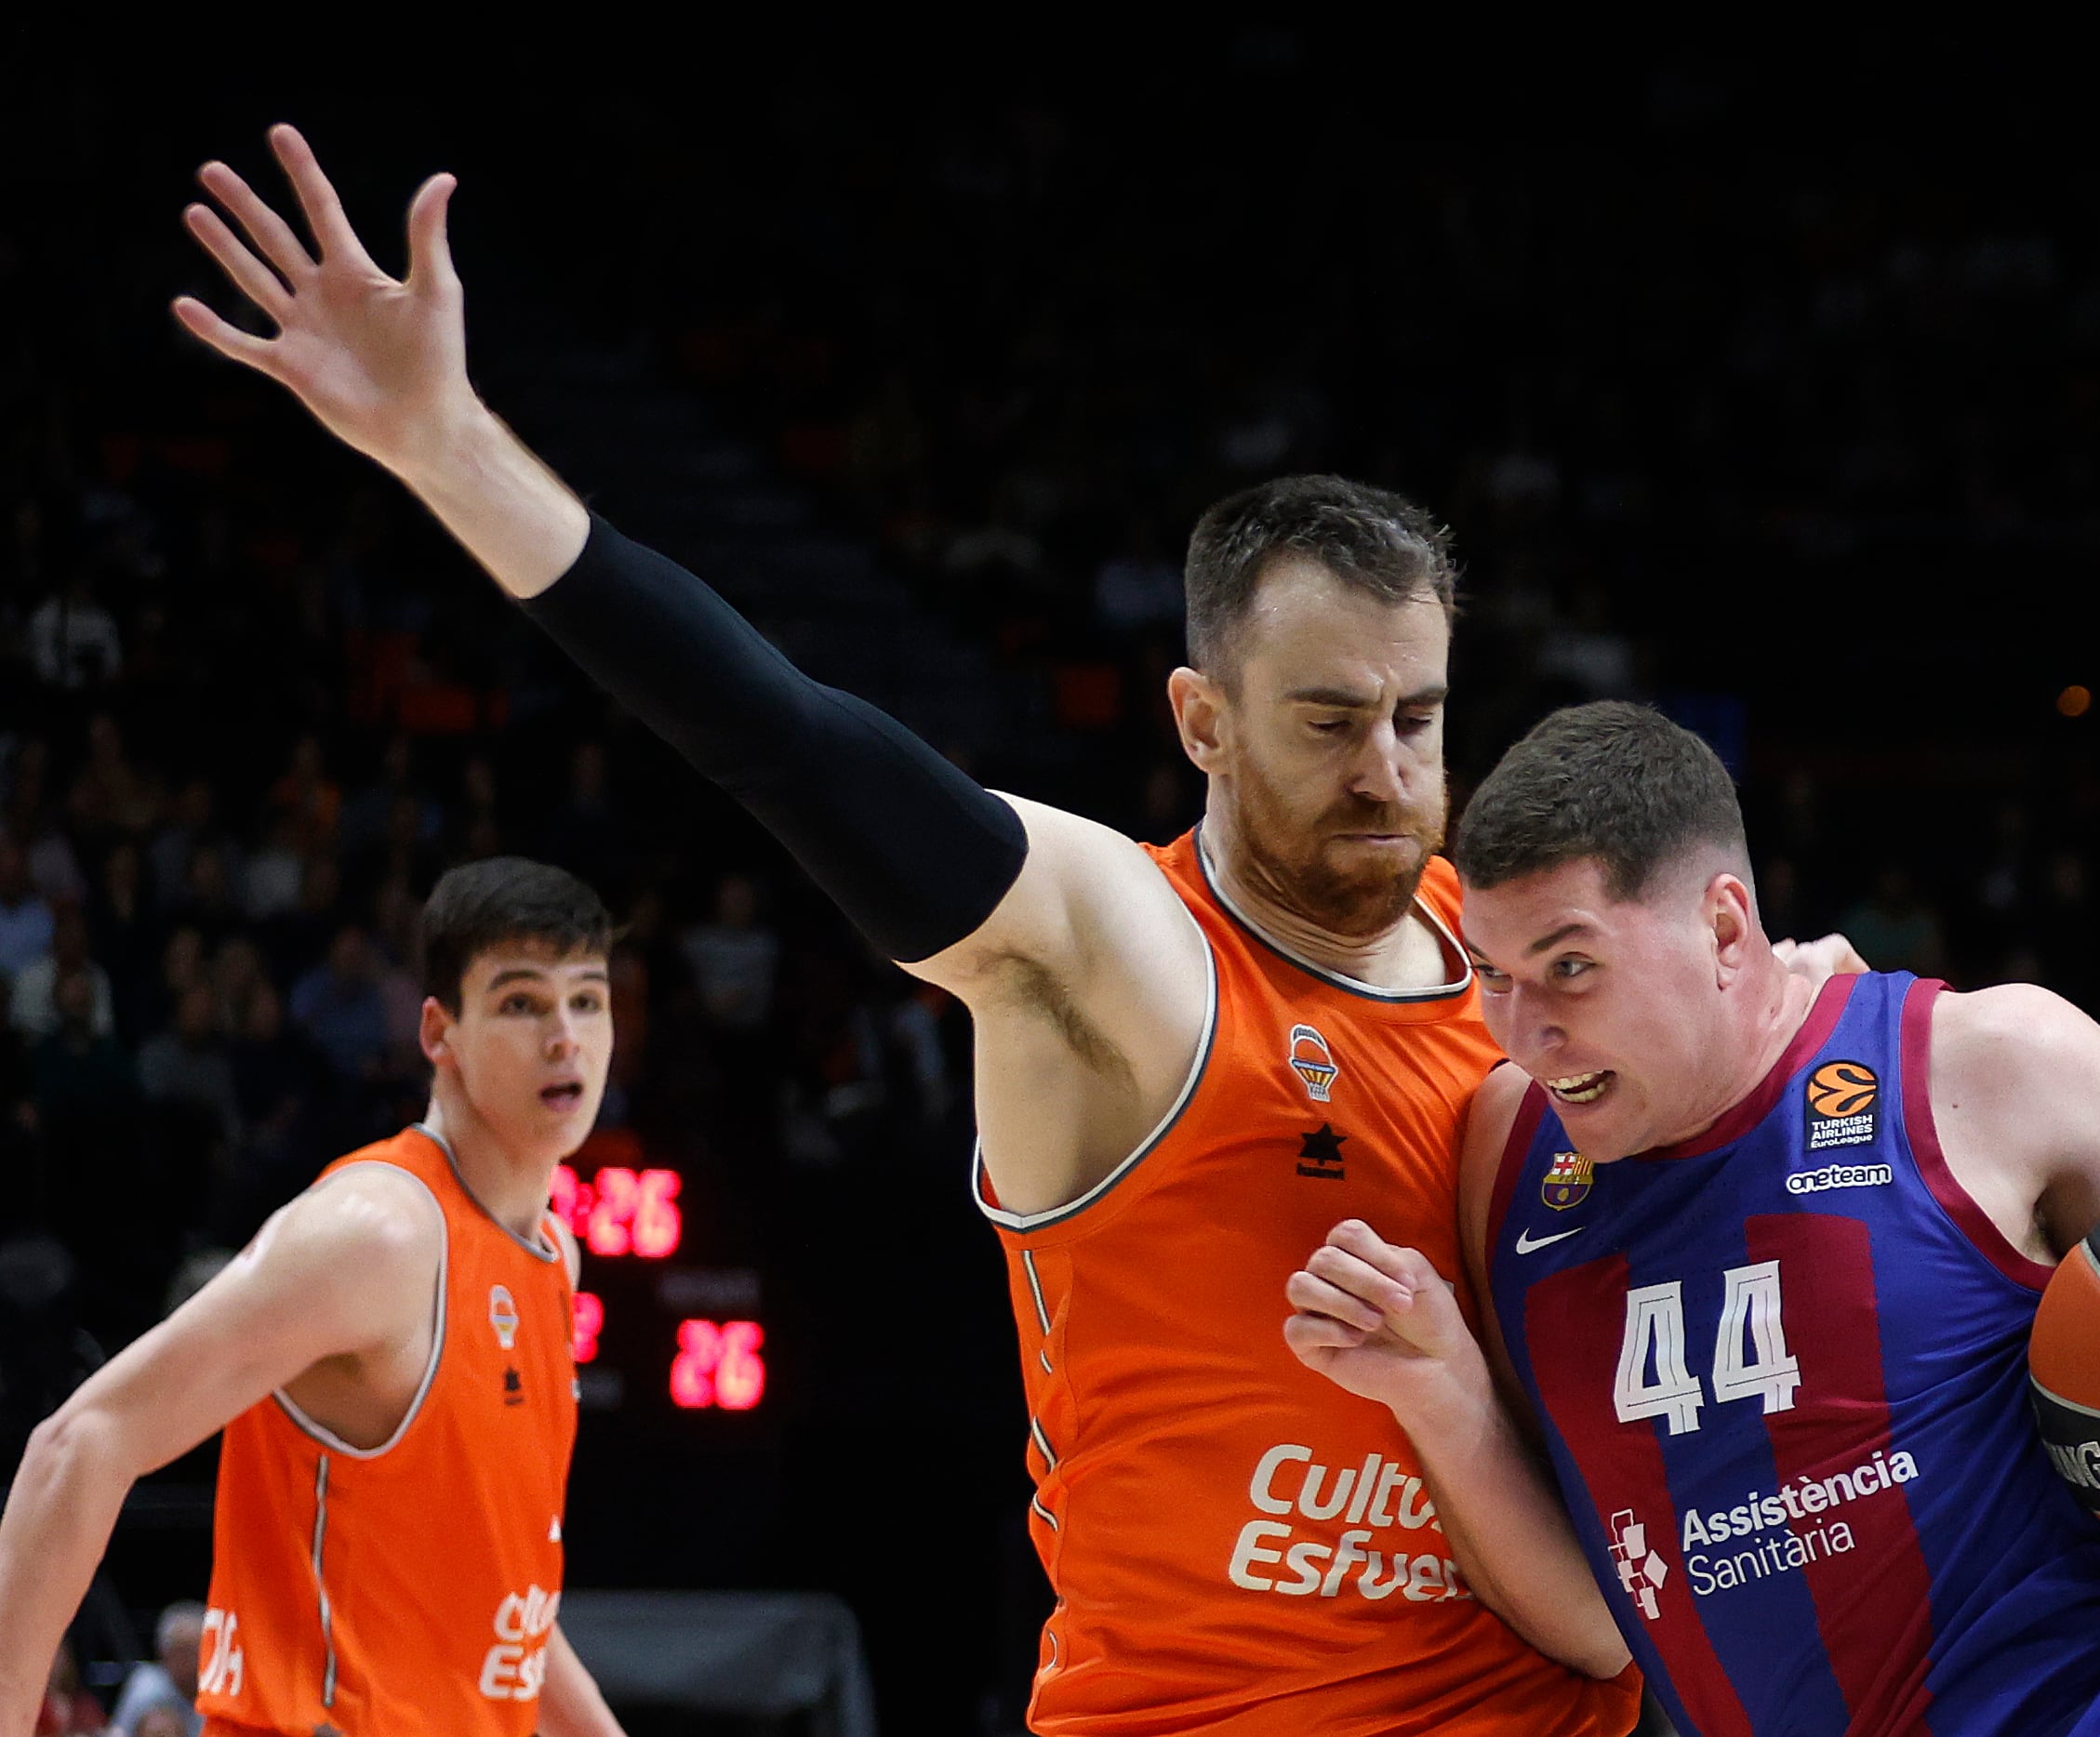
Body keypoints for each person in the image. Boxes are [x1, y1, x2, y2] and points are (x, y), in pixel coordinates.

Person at [166, 123, 1694, 1734]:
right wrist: (449, 447)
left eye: (1417, 717)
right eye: (1325, 720)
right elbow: (788, 735)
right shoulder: (1125, 949)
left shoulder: (1523, 963)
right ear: (1200, 721)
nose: (1384, 771)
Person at [1284, 702, 2100, 1736]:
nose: (1522, 1029)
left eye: (1567, 967)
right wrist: (1442, 1402)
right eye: (1490, 974)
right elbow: (1603, 1629)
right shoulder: (1503, 1157)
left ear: (1721, 928)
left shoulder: (1990, 1065)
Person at [0, 857, 628, 1737]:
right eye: (521, 1003)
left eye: (587, 1000)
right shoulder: (380, 1235)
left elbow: (494, 1600)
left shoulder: (552, 1257)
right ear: (439, 1033)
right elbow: (77, 1443)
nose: (564, 1036)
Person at [107, 1602, 205, 1737]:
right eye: (185, 1652)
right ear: (164, 1654)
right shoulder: (148, 1685)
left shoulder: (219, 1687)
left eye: (199, 1652)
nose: (194, 1661)